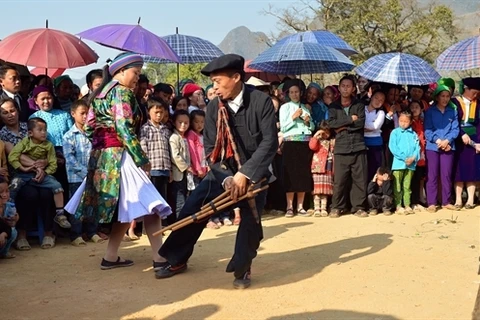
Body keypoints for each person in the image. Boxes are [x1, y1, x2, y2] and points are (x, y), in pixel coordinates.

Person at [155, 54, 278, 289]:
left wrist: (246, 175)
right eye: (212, 83)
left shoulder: (260, 102)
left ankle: (242, 269)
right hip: (222, 173)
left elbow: (269, 143)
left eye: (218, 82)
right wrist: (229, 178)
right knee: (193, 210)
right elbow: (211, 149)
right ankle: (177, 258)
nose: (214, 88)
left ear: (236, 77)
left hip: (255, 174)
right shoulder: (214, 107)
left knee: (250, 223)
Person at [65, 52, 171, 270]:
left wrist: (104, 144)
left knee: (126, 207)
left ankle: (110, 257)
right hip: (122, 156)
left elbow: (88, 128)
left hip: (103, 158)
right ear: (121, 71)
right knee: (151, 205)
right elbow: (123, 127)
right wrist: (141, 158)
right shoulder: (122, 92)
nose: (137, 78)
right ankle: (160, 259)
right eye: (136, 72)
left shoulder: (100, 92)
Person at [0, 98, 56, 251]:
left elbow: (47, 148)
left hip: (41, 172)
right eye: (4, 113)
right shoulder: (3, 134)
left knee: (46, 193)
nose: (10, 115)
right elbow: (16, 155)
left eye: (12, 110)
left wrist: (44, 163)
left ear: (18, 111)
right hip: (20, 174)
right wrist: (36, 165)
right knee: (29, 194)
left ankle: (48, 233)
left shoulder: (31, 126)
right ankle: (22, 235)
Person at [8, 117, 70, 231]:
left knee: (57, 187)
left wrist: (45, 173)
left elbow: (53, 163)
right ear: (30, 133)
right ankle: (9, 212)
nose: (44, 133)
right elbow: (12, 156)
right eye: (40, 130)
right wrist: (23, 168)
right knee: (13, 187)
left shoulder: (48, 145)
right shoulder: (24, 142)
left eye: (45, 130)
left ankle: (60, 214)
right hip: (23, 174)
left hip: (42, 176)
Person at [63, 100, 103, 246]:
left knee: (92, 204)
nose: (86, 116)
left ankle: (92, 232)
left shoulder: (93, 134)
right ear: (73, 114)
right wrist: (85, 172)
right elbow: (70, 158)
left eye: (88, 113)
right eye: (82, 113)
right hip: (77, 177)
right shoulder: (69, 136)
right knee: (77, 206)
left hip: (93, 176)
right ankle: (76, 234)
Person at [327, 75, 368, 218]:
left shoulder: (359, 105)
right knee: (339, 180)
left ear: (353, 89)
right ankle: (337, 207)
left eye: (348, 86)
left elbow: (360, 124)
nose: (345, 88)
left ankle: (359, 207)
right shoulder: (333, 106)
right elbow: (331, 124)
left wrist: (342, 126)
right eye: (343, 86)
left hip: (358, 145)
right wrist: (350, 119)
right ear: (339, 88)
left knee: (360, 179)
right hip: (341, 147)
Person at [279, 79, 314, 217]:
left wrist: (307, 121)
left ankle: (300, 206)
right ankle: (289, 206)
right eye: (292, 92)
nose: (294, 94)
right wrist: (293, 117)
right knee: (290, 174)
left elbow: (311, 127)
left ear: (300, 93)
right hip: (291, 142)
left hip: (304, 142)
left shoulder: (305, 107)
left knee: (303, 174)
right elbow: (283, 127)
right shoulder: (285, 107)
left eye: (297, 92)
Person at [424, 85, 459, 212]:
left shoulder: (453, 111)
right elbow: (428, 130)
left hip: (449, 146)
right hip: (433, 147)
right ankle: (432, 203)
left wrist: (447, 141)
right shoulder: (430, 111)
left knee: (446, 175)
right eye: (442, 96)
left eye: (447, 96)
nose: (445, 99)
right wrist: (439, 141)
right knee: (432, 175)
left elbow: (455, 129)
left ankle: (446, 201)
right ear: (437, 97)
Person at [140, 98, 174, 227]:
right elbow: (143, 149)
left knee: (162, 198)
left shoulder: (166, 130)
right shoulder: (145, 129)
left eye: (161, 112)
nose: (159, 115)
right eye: (156, 112)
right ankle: (147, 227)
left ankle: (161, 224)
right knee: (151, 200)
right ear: (149, 112)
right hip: (152, 169)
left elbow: (168, 151)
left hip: (164, 169)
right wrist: (145, 168)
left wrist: (169, 169)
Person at [452, 77, 480, 209]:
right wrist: (461, 134)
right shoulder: (454, 103)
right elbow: (452, 121)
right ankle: (458, 199)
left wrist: (478, 142)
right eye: (473, 92)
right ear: (466, 89)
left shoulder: (478, 104)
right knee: (458, 170)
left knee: (472, 170)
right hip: (458, 138)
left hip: (474, 139)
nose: (475, 95)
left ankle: (470, 200)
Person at [388, 111, 420, 215]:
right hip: (398, 164)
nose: (403, 123)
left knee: (407, 186)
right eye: (401, 121)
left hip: (411, 165)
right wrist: (403, 157)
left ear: (410, 122)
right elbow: (393, 147)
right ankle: (398, 205)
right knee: (397, 185)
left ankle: (407, 204)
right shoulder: (395, 132)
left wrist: (413, 158)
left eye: (406, 121)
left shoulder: (414, 134)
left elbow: (417, 148)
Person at [309, 121, 334, 217]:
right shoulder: (317, 141)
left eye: (327, 132)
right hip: (317, 168)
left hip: (328, 168)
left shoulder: (331, 141)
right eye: (323, 131)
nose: (325, 134)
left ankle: (323, 208)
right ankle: (316, 209)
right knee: (317, 191)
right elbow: (312, 146)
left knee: (325, 191)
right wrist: (316, 135)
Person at [169, 109, 191, 218]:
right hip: (178, 173)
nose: (183, 125)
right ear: (174, 122)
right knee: (179, 199)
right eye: (180, 122)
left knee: (184, 197)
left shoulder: (184, 137)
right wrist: (186, 167)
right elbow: (175, 156)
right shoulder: (174, 137)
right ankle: (180, 221)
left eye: (186, 123)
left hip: (185, 174)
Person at [364, 90, 386, 181]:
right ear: (371, 97)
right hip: (362, 142)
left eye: (381, 100)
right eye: (376, 98)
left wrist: (363, 126)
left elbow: (375, 126)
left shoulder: (381, 113)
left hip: (376, 144)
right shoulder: (361, 108)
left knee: (375, 169)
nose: (378, 101)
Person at [409, 100, 427, 211]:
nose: (414, 109)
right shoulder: (408, 122)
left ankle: (419, 199)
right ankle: (412, 202)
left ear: (421, 110)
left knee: (420, 177)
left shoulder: (422, 122)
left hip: (422, 153)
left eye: (417, 107)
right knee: (412, 178)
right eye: (412, 107)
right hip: (411, 153)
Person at [0, 176, 18, 258]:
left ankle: (3, 252)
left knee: (13, 231)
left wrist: (15, 218)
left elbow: (16, 216)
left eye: (7, 191)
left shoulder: (9, 204)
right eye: (1, 192)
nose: (5, 195)